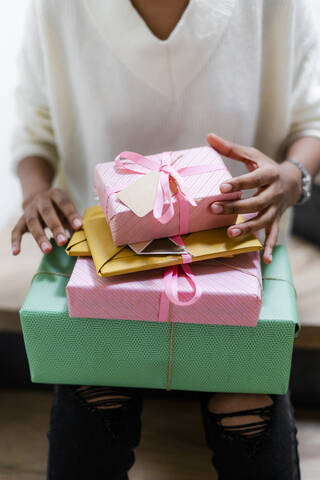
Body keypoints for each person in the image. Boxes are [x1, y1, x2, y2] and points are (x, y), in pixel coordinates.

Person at [10, 0, 320, 478]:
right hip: (109, 270)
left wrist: (293, 175)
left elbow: (310, 122)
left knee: (248, 411)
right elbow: (34, 131)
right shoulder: (59, 8)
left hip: (235, 255)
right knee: (91, 404)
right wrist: (35, 194)